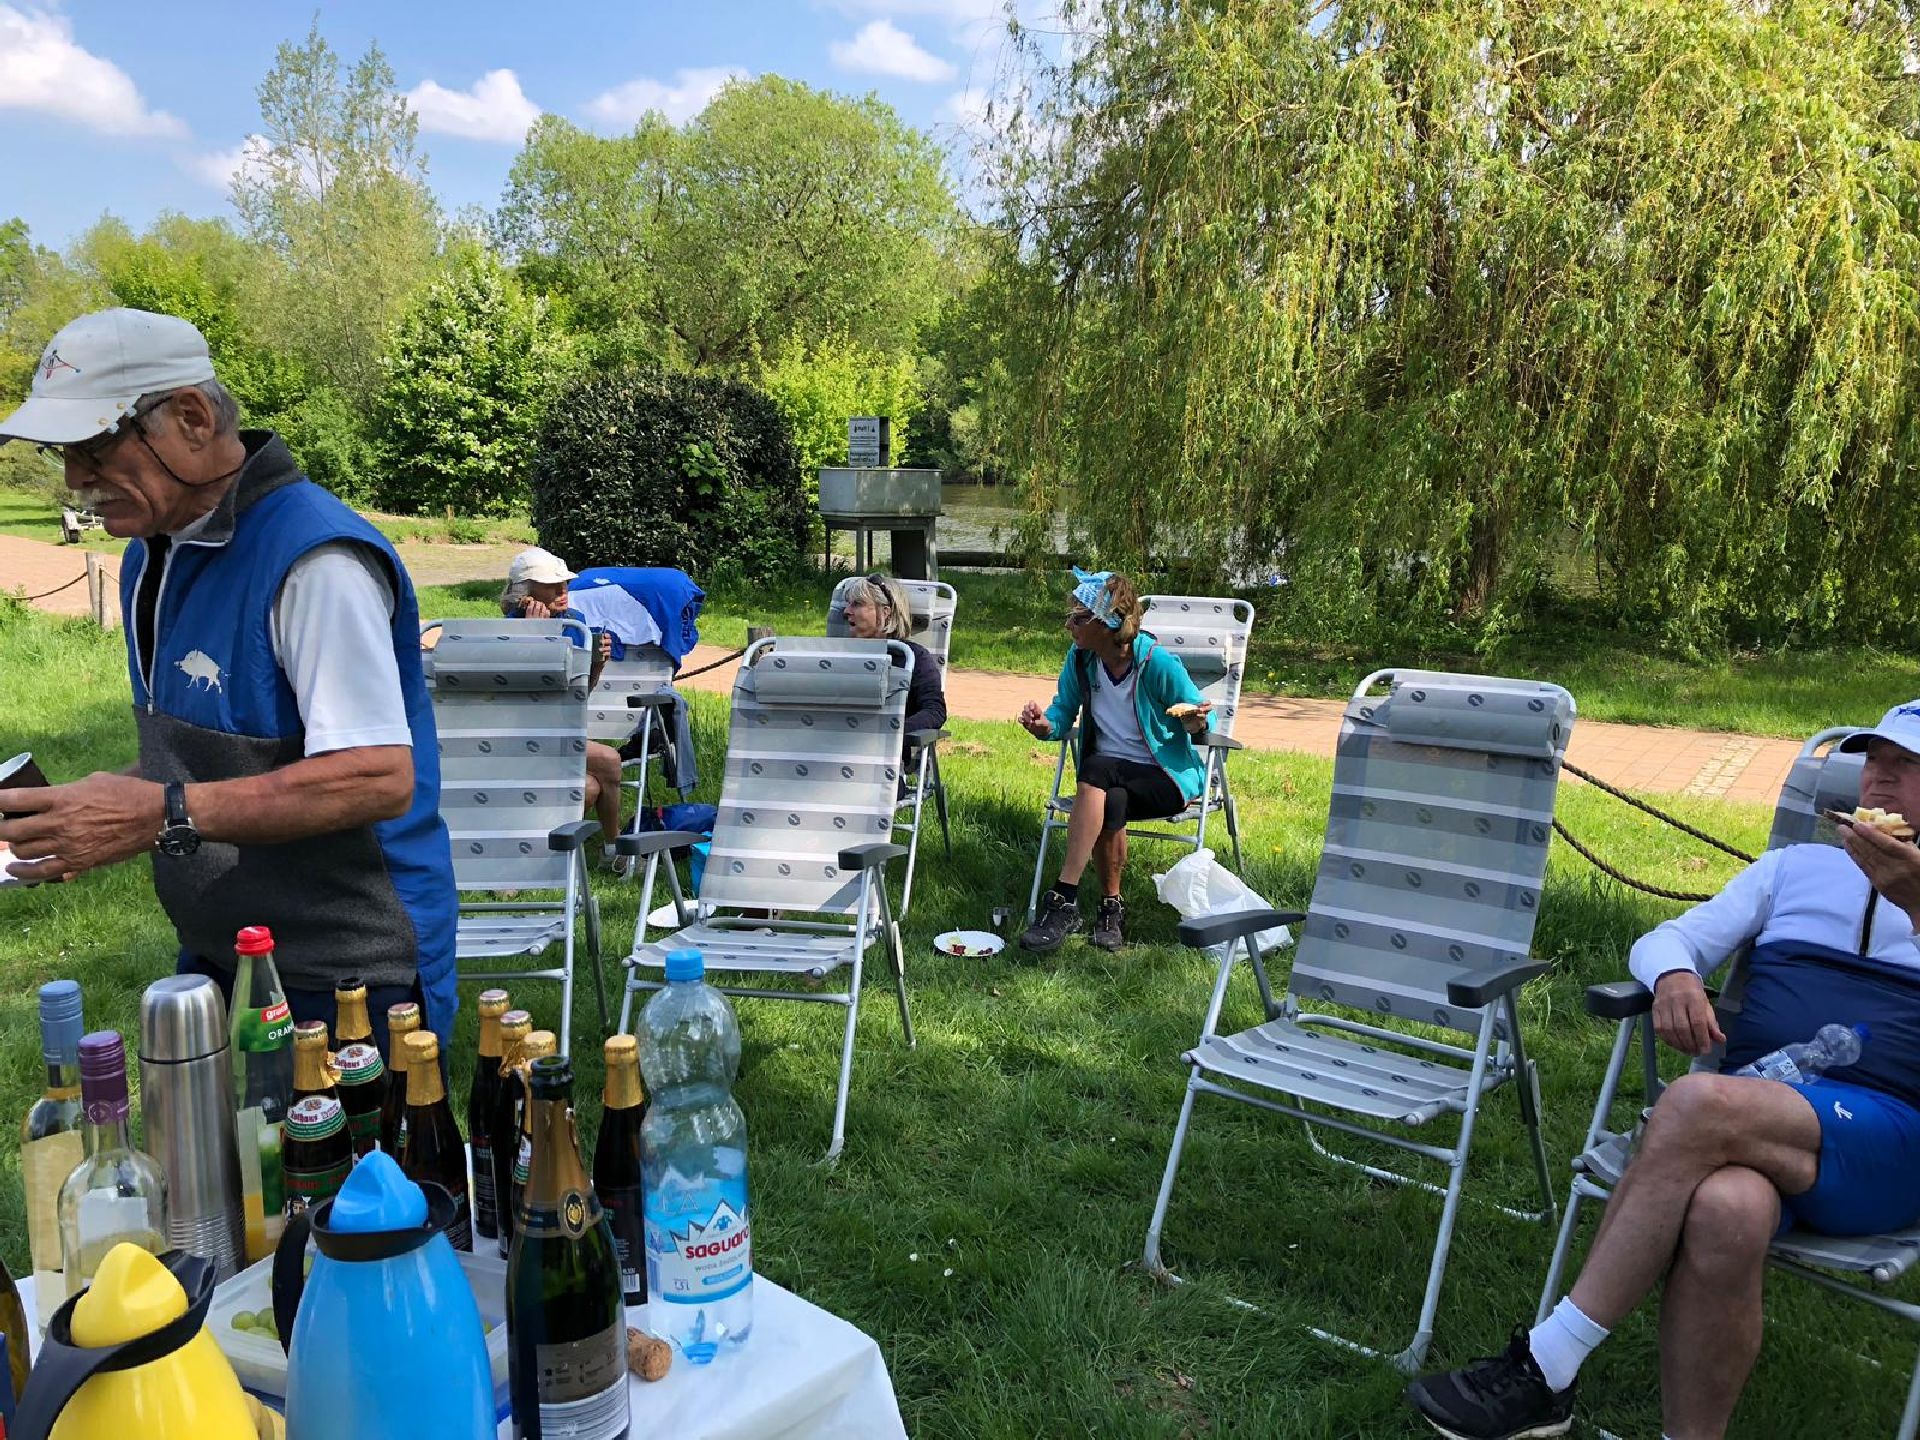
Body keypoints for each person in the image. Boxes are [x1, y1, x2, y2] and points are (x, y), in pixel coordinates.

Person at [1407, 700, 1920, 1440]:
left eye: (1907, 766)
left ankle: (1548, 1366)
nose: (1881, 778)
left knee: (1693, 1103)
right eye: (1875, 760)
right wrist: (1677, 975)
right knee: (1725, 1211)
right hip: (1760, 1121)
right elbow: (1667, 938)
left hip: (1890, 1142)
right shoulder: (1796, 869)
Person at [0, 308, 457, 1052]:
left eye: (94, 445)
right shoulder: (154, 552)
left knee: (353, 1139)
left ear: (192, 417)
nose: (76, 477)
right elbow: (211, 757)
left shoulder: (315, 560)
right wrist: (84, 808)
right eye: (64, 452)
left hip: (347, 969)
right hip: (225, 949)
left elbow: (376, 777)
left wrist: (157, 813)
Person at [1017, 568, 1211, 953]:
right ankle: (1111, 909)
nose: (1069, 625)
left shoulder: (1156, 663)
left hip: (1164, 780)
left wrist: (1195, 721)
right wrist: (1044, 726)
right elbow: (1063, 712)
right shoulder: (1080, 660)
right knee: (1111, 796)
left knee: (1096, 768)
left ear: (1107, 623)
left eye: (1078, 618)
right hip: (1109, 784)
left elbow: (1203, 715)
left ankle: (1063, 898)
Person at [499, 546, 625, 858]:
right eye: (551, 584)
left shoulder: (575, 624)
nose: (562, 590)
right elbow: (518, 701)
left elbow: (579, 697)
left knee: (590, 788)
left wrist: (596, 664)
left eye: (565, 583)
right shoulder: (506, 633)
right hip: (516, 737)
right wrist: (535, 639)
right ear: (526, 592)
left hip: (557, 732)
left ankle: (601, 852)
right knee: (608, 762)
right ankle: (615, 851)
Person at [838, 572, 949, 768]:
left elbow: (935, 711)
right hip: (828, 755)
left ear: (885, 612)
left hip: (881, 767)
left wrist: (893, 733)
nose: (846, 611)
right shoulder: (834, 657)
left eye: (857, 604)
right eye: (848, 604)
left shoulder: (912, 658)